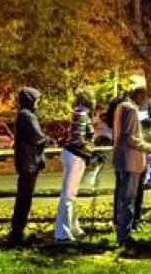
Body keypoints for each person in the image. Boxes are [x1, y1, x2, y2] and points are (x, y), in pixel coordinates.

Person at [113, 84, 151, 247]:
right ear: (138, 96)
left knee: (123, 198)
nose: (145, 101)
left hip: (121, 159)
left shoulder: (121, 107)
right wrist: (148, 146)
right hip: (131, 161)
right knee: (128, 199)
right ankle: (125, 236)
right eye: (144, 97)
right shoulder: (131, 110)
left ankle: (121, 232)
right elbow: (130, 138)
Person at [10, 86, 51, 245]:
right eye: (37, 100)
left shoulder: (24, 115)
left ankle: (18, 230)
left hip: (26, 161)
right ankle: (17, 231)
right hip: (29, 162)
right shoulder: (27, 116)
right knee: (24, 197)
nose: (38, 103)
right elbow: (37, 138)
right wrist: (48, 140)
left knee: (24, 197)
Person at [55, 87, 97, 242]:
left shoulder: (80, 114)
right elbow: (78, 140)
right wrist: (91, 152)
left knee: (71, 194)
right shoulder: (81, 115)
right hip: (75, 156)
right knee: (68, 195)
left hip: (74, 155)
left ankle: (73, 226)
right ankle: (62, 232)